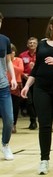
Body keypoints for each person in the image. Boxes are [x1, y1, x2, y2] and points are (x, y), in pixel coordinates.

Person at [21, 14, 53, 175]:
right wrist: (28, 85)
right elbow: (36, 68)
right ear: (51, 26)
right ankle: (44, 160)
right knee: (44, 124)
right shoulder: (42, 44)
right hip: (41, 88)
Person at [0, 12, 17, 160]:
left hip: (3, 87)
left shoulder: (4, 40)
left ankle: (5, 144)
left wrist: (12, 78)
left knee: (9, 119)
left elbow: (9, 61)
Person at [19, 36, 38, 130]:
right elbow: (19, 68)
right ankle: (33, 121)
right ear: (27, 45)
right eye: (30, 43)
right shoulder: (22, 55)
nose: (32, 44)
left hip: (38, 81)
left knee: (37, 101)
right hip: (26, 81)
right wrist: (23, 75)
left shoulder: (40, 55)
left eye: (34, 43)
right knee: (29, 101)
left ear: (37, 45)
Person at [7, 44, 23, 134]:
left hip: (16, 84)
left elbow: (21, 70)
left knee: (15, 106)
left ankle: (14, 124)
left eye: (13, 51)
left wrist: (10, 64)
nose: (11, 52)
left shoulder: (18, 60)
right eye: (10, 51)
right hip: (5, 84)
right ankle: (8, 124)